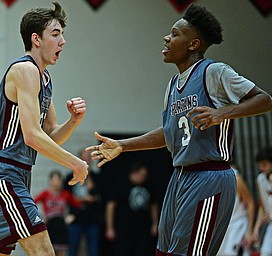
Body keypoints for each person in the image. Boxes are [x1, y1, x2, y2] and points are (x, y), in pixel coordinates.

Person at [86, 4, 272, 255]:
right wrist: (123, 146)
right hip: (180, 176)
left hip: (210, 176)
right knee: (165, 251)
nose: (166, 37)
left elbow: (264, 100)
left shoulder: (214, 72)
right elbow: (168, 132)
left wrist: (221, 113)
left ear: (193, 44)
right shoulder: (173, 84)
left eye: (175, 34)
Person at [0, 2, 89, 255]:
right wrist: (76, 163)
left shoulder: (44, 78)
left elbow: (50, 135)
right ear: (36, 39)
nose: (63, 41)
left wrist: (74, 121)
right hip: (4, 171)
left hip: (14, 172)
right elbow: (33, 136)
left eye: (62, 34)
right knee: (44, 251)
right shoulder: (25, 70)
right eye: (55, 34)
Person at [105, 161, 158, 256]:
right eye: (142, 174)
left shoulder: (148, 185)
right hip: (123, 228)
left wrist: (155, 223)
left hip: (142, 228)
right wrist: (110, 227)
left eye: (145, 175)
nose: (143, 177)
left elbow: (153, 205)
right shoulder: (121, 184)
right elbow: (111, 205)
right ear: (134, 173)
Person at [34, 170, 82, 256]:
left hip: (61, 226)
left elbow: (78, 205)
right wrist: (40, 218)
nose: (56, 183)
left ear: (61, 181)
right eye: (54, 180)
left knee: (61, 252)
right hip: (49, 226)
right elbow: (32, 204)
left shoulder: (65, 194)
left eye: (58, 180)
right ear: (50, 181)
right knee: (49, 252)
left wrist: (72, 216)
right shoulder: (45, 193)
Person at [65, 150, 101, 256]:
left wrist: (89, 180)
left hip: (92, 218)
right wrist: (84, 199)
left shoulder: (96, 177)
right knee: (72, 248)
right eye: (83, 158)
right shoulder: (70, 176)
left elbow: (98, 197)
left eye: (88, 158)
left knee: (93, 249)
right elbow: (67, 197)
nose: (86, 160)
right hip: (75, 217)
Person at [217, 165, 255, 256]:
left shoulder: (236, 178)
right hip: (221, 227)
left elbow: (250, 203)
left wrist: (250, 231)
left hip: (237, 225)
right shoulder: (210, 176)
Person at [253, 147, 272, 256]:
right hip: (270, 224)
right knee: (265, 252)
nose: (261, 168)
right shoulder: (260, 179)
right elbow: (261, 205)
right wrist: (256, 227)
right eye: (259, 165)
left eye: (264, 164)